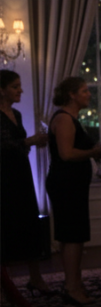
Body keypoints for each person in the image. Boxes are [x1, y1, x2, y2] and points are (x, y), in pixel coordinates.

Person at [45, 76, 101, 305]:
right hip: (66, 184)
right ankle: (71, 286)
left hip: (72, 184)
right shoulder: (63, 118)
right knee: (72, 236)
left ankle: (75, 282)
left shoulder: (71, 118)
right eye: (84, 91)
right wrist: (93, 153)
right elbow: (66, 154)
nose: (89, 94)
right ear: (71, 94)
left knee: (74, 235)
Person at [0, 69, 50, 292]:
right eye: (15, 86)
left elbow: (18, 147)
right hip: (3, 177)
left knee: (29, 220)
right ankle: (6, 284)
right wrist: (29, 141)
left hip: (21, 173)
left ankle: (35, 277)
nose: (20, 90)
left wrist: (31, 143)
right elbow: (4, 146)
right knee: (6, 223)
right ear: (1, 90)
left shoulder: (17, 114)